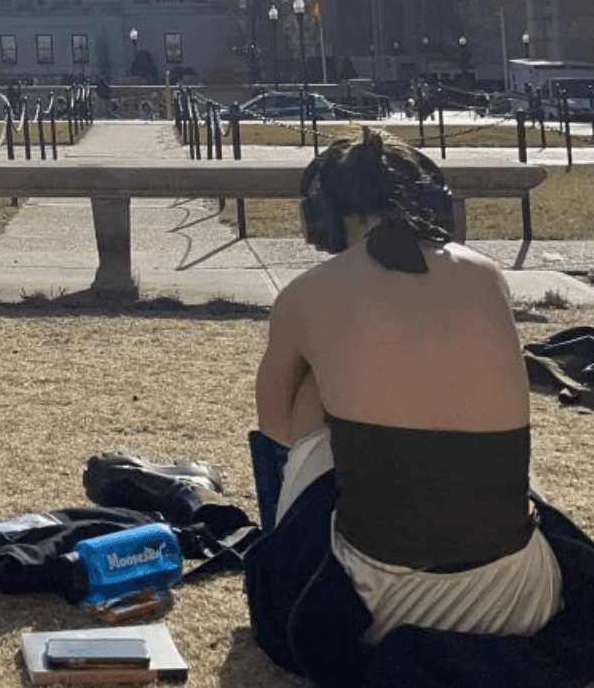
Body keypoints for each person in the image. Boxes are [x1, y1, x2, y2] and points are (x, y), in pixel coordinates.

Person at [244, 128, 594, 685]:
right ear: (435, 204)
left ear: (322, 217)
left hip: (380, 604)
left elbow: (276, 430)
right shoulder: (487, 276)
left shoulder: (306, 294)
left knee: (310, 388)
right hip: (522, 600)